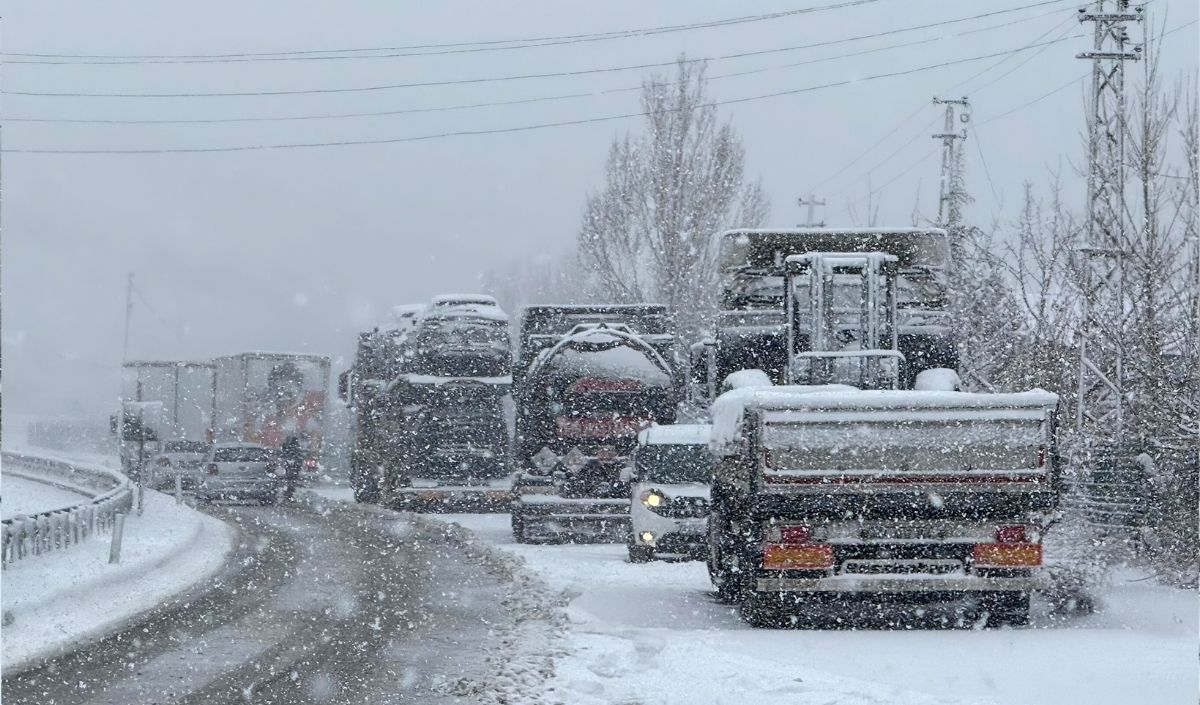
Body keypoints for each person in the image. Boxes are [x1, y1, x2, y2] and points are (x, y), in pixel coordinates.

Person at [280, 436, 304, 501]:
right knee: (292, 482)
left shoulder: (288, 448)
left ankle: (288, 495)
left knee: (289, 482)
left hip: (290, 469)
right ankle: (289, 495)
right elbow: (300, 459)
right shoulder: (297, 449)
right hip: (294, 469)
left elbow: (284, 455)